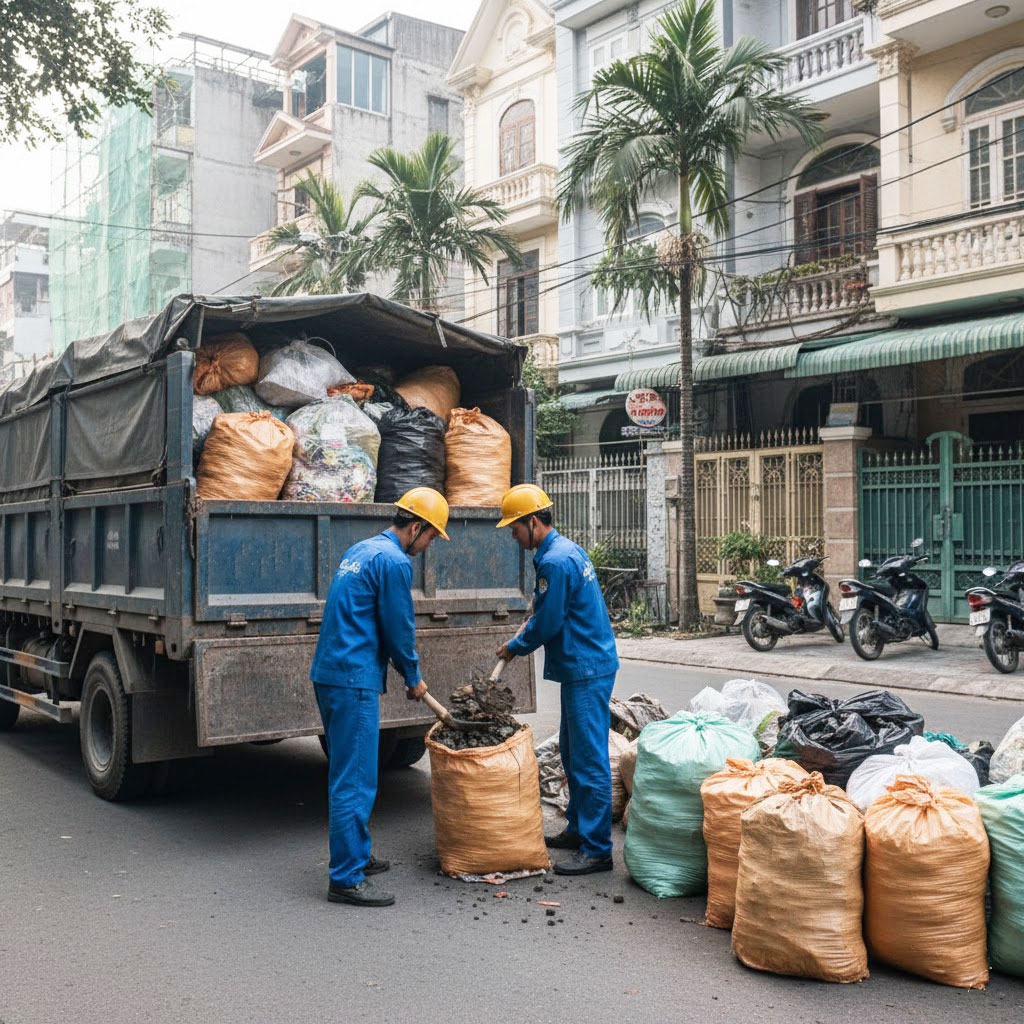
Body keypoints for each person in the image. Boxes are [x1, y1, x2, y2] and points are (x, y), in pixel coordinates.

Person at [310, 486, 450, 907]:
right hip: (352, 678)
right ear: (416, 526)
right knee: (355, 779)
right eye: (430, 537)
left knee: (354, 771)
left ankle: (359, 855)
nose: (428, 547)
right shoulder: (393, 562)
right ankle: (346, 878)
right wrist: (413, 676)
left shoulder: (362, 549)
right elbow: (398, 626)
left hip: (332, 672)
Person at [495, 484, 619, 875]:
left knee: (588, 759)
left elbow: (548, 621)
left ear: (533, 522)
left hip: (586, 667)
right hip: (585, 664)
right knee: (571, 751)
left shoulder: (554, 561)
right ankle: (579, 829)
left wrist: (514, 646)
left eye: (515, 528)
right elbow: (549, 607)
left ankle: (597, 849)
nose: (514, 537)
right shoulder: (565, 550)